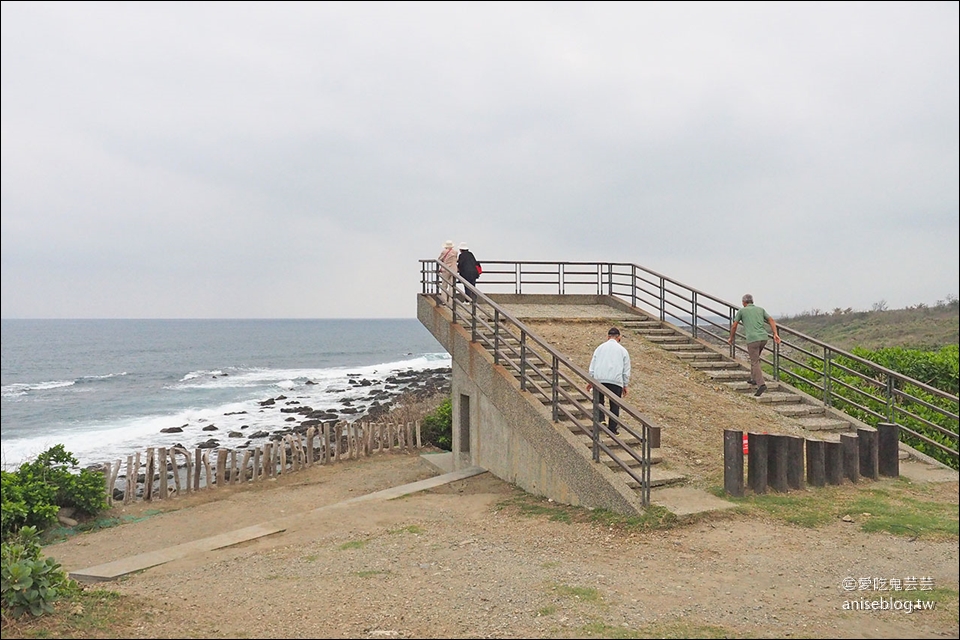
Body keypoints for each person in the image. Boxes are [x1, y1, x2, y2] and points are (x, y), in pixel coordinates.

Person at [727, 293, 781, 397]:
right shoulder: (760, 309)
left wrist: (731, 337)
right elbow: (771, 320)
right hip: (763, 338)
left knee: (754, 361)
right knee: (755, 358)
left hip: (752, 339)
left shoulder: (742, 311)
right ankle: (753, 379)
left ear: (743, 302)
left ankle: (761, 384)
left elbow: (734, 326)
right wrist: (775, 334)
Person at [586, 327, 631, 435]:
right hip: (615, 380)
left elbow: (593, 365)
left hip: (599, 379)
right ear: (619, 337)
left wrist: (591, 380)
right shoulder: (623, 351)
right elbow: (626, 370)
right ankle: (612, 428)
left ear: (608, 337)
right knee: (614, 405)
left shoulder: (599, 348)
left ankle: (601, 419)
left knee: (599, 401)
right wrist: (625, 384)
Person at [437, 240, 458, 304]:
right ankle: (451, 301)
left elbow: (439, 259)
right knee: (452, 285)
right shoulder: (455, 252)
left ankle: (444, 300)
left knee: (444, 285)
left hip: (446, 269)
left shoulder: (444, 252)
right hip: (454, 269)